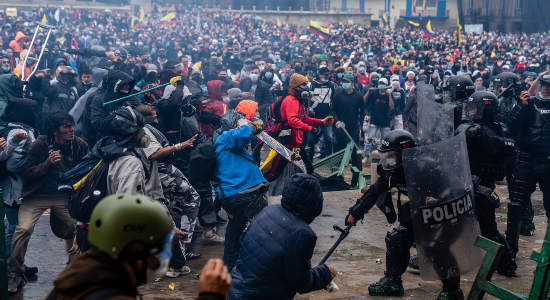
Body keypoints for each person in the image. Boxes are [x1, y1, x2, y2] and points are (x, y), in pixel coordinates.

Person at [346, 130, 464, 300]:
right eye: (386, 155)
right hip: (421, 214)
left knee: (435, 246)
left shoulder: (428, 166)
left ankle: (453, 291)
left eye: (391, 155)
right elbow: (374, 191)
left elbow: (455, 186)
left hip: (445, 215)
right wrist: (355, 212)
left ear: (404, 153)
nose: (388, 159)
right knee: (396, 238)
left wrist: (440, 197)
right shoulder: (394, 170)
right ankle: (392, 282)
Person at [46, 193, 231, 300]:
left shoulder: (81, 274)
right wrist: (210, 296)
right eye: (161, 247)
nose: (163, 257)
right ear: (138, 250)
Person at [8, 111, 89, 293]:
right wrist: (48, 163)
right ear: (55, 130)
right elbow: (28, 173)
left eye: (72, 125)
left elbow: (88, 170)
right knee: (23, 229)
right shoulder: (39, 145)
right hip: (38, 196)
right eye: (66, 126)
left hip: (65, 197)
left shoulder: (80, 145)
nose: (72, 129)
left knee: (82, 228)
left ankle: (74, 271)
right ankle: (14, 271)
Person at [228, 173, 336, 300]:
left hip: (233, 289)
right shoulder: (303, 234)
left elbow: (246, 245)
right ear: (315, 203)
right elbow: (301, 283)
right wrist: (325, 273)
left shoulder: (269, 210)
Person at [455, 91, 517, 277]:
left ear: (483, 110)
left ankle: (440, 258)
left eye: (474, 107)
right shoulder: (503, 129)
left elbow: (454, 154)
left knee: (453, 223)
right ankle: (507, 263)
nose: (470, 110)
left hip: (468, 181)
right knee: (485, 226)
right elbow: (509, 160)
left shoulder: (471, 131)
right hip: (488, 185)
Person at [505, 70, 550, 278]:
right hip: (525, 158)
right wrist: (522, 107)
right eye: (544, 85)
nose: (546, 88)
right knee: (515, 207)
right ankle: (508, 256)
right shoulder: (526, 103)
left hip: (548, 160)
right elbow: (511, 127)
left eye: (549, 86)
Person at [213, 107, 268, 270]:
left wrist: (257, 150)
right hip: (246, 195)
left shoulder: (230, 148)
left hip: (233, 197)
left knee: (234, 230)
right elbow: (239, 134)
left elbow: (251, 164)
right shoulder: (225, 136)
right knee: (264, 232)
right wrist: (253, 125)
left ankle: (229, 266)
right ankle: (263, 267)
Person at [263, 73, 333, 182]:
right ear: (296, 87)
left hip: (296, 143)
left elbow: (304, 119)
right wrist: (311, 129)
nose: (307, 87)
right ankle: (256, 191)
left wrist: (322, 121)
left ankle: (300, 191)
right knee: (273, 173)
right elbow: (293, 121)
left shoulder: (299, 101)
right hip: (285, 144)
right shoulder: (291, 100)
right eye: (304, 84)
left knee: (308, 169)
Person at [0, 98, 37, 276]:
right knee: (15, 226)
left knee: (16, 226)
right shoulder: (22, 132)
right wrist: (34, 164)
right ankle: (10, 264)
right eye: (33, 111)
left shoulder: (11, 127)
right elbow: (13, 164)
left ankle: (16, 263)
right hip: (14, 188)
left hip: (10, 187)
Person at [331, 73, 368, 167]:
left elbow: (363, 108)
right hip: (340, 127)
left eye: (347, 82)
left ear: (352, 83)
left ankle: (356, 170)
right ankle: (337, 170)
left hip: (354, 127)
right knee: (340, 149)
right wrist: (336, 120)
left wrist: (366, 115)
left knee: (355, 149)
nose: (345, 83)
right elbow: (333, 110)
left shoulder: (358, 95)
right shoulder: (338, 95)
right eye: (344, 81)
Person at [308, 66, 336, 160]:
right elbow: (305, 100)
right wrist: (309, 109)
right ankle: (310, 159)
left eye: (328, 75)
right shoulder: (311, 85)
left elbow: (333, 99)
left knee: (329, 138)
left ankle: (329, 158)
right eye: (325, 74)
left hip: (326, 115)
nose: (327, 76)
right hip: (313, 117)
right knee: (311, 140)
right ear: (319, 75)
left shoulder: (331, 85)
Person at [364, 78, 394, 157]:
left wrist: (390, 96)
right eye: (380, 83)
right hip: (374, 120)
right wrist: (368, 92)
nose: (381, 85)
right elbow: (364, 101)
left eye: (383, 84)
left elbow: (392, 107)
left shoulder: (388, 95)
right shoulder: (374, 93)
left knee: (386, 140)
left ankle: (385, 155)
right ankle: (366, 155)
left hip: (385, 121)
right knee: (370, 138)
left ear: (386, 85)